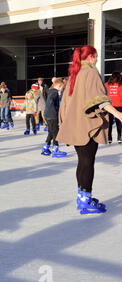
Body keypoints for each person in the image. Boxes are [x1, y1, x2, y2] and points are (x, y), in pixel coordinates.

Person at [56, 45, 122, 214]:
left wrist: (64, 123)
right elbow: (98, 99)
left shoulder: (74, 74)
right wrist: (118, 114)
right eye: (96, 56)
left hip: (75, 125)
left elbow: (65, 103)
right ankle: (86, 200)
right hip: (87, 126)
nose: (97, 59)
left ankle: (82, 197)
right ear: (91, 56)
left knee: (82, 162)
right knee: (87, 162)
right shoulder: (91, 72)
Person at [41, 78, 67, 157]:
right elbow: (50, 102)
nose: (62, 89)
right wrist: (53, 111)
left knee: (51, 132)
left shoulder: (51, 91)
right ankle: (55, 149)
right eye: (62, 87)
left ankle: (45, 147)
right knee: (56, 132)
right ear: (59, 86)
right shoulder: (54, 92)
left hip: (48, 115)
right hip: (52, 115)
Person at [104, 72, 122, 144]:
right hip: (119, 105)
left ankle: (109, 137)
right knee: (118, 122)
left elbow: (103, 93)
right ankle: (119, 137)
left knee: (109, 122)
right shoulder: (120, 85)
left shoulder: (106, 85)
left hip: (109, 106)